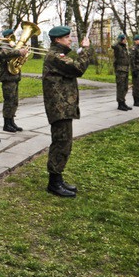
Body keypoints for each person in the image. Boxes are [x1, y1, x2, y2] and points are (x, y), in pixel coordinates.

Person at [42, 26, 90, 197]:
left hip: (63, 107)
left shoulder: (59, 55)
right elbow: (78, 68)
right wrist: (85, 49)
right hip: (59, 107)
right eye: (67, 37)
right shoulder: (55, 56)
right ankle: (54, 183)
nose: (70, 40)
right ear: (57, 40)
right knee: (61, 143)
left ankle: (58, 178)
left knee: (65, 143)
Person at [0, 29, 24, 132]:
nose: (12, 38)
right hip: (7, 77)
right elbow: (6, 55)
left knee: (14, 101)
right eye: (10, 36)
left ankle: (12, 121)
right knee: (9, 101)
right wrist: (18, 51)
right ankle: (6, 123)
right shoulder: (2, 46)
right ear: (6, 36)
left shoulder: (13, 46)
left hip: (15, 77)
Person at [111, 33, 131, 111]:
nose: (125, 40)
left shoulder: (124, 48)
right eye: (124, 39)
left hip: (125, 70)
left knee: (125, 87)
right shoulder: (118, 47)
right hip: (120, 70)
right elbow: (113, 45)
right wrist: (119, 39)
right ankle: (120, 104)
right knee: (120, 87)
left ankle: (123, 102)